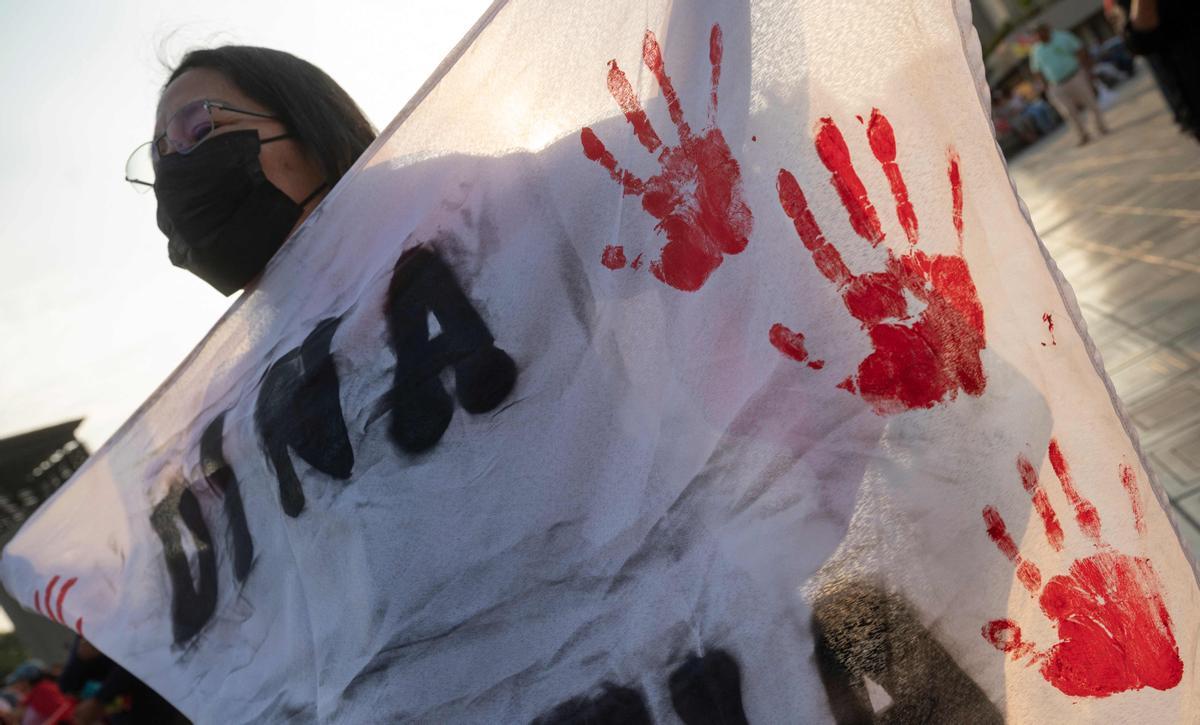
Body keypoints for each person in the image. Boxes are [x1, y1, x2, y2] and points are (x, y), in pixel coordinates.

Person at [124, 46, 378, 295]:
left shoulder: (417, 209)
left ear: (311, 128)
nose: (174, 172)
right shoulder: (286, 336)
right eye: (161, 162)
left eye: (202, 130)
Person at [1028, 23, 1109, 145]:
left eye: (1040, 31)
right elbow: (1036, 70)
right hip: (1055, 84)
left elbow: (1080, 50)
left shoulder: (1063, 37)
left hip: (1075, 75)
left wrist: (1087, 69)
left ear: (1047, 29)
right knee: (1068, 112)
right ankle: (1082, 135)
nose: (1038, 35)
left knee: (1090, 102)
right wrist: (1046, 87)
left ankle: (1101, 127)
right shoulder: (1036, 50)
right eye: (1036, 33)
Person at [4, 660, 73, 725]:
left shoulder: (45, 689)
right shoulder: (35, 692)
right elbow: (19, 711)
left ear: (27, 681)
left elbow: (65, 712)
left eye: (20, 681)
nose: (18, 685)